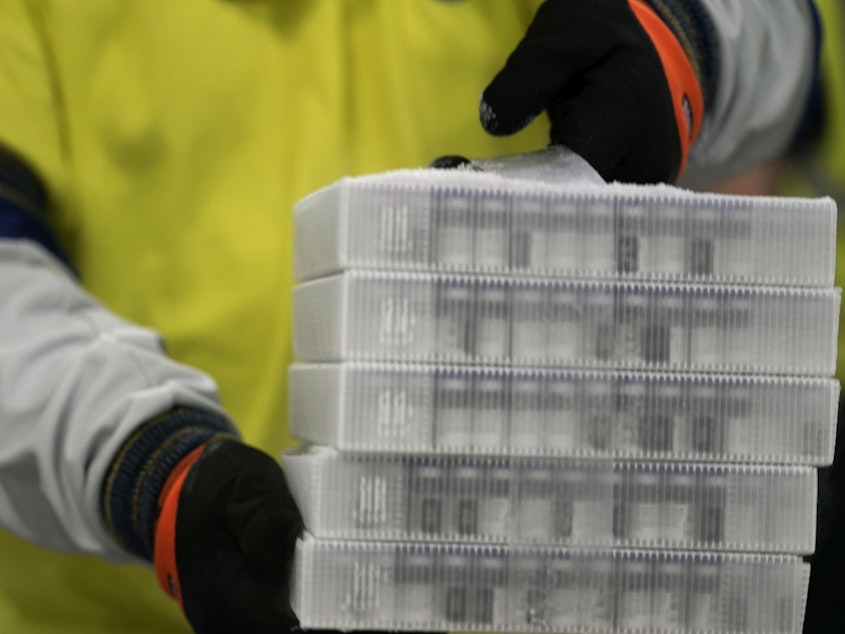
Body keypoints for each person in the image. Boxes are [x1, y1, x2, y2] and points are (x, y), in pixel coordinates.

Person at [0, 1, 823, 632]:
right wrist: (144, 463)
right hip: (118, 606)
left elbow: (790, 43)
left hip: (511, 586)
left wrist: (691, 30)